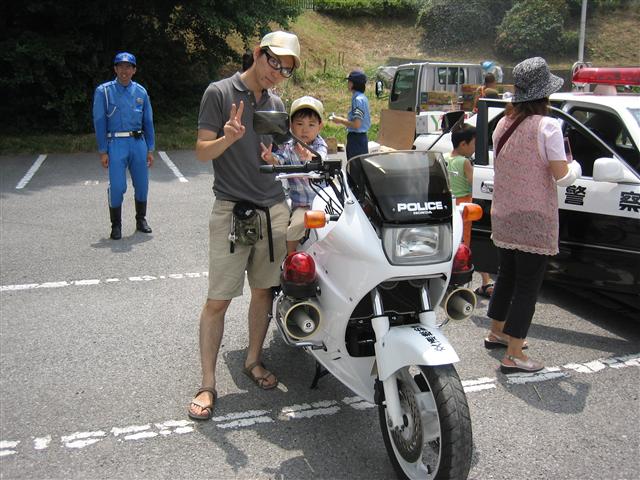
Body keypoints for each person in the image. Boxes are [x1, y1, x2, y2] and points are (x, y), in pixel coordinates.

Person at [187, 31, 300, 420]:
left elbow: (277, 153)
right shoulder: (219, 93)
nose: (276, 72)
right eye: (274, 62)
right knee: (218, 300)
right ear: (257, 53)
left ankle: (253, 360)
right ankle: (207, 383)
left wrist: (278, 158)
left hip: (273, 209)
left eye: (286, 69)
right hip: (233, 210)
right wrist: (227, 138)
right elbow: (202, 151)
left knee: (263, 292)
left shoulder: (276, 103)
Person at [484, 57, 581, 373]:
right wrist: (576, 168)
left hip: (504, 214)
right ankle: (514, 354)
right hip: (534, 219)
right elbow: (561, 175)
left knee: (507, 275)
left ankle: (496, 332)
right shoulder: (547, 126)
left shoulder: (503, 124)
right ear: (545, 94)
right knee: (527, 285)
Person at [93, 52, 155, 240]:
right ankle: (116, 225)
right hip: (116, 143)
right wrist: (103, 150)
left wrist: (150, 148)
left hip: (138, 143)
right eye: (120, 66)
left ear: (134, 70)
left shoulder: (141, 92)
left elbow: (148, 121)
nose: (124, 71)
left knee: (142, 185)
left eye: (128, 67)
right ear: (115, 69)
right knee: (118, 186)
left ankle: (141, 220)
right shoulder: (104, 91)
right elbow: (99, 121)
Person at [260, 96, 328, 254]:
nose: (305, 130)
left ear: (320, 126)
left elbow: (321, 157)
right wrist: (271, 158)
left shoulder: (319, 144)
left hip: (323, 202)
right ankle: (290, 258)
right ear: (291, 126)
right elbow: (280, 160)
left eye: (311, 125)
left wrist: (310, 157)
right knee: (294, 227)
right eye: (300, 124)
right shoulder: (288, 147)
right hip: (303, 205)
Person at [445, 126, 494, 296]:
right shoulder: (465, 162)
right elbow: (476, 183)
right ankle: (480, 281)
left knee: (451, 242)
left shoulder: (445, 158)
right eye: (474, 144)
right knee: (466, 243)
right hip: (465, 206)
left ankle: (484, 280)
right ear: (463, 144)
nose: (475, 148)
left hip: (450, 204)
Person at [330, 70, 370, 160]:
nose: (347, 84)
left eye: (349, 81)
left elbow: (356, 124)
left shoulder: (357, 100)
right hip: (361, 139)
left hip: (356, 139)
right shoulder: (363, 98)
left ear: (352, 84)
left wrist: (340, 120)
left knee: (354, 166)